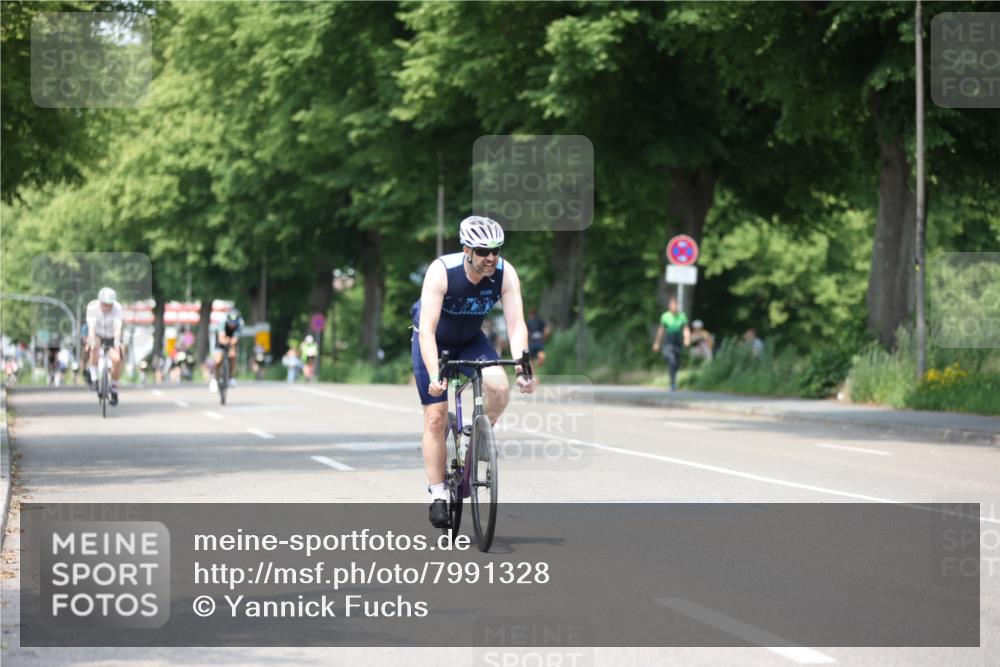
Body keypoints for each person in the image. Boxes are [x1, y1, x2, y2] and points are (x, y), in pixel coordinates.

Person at [411, 215, 536, 528]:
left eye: (495, 249)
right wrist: (435, 373)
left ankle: (475, 434)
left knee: (500, 388)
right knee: (436, 416)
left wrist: (522, 365)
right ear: (466, 249)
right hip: (433, 342)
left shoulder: (505, 273)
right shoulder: (442, 271)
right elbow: (426, 330)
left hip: (470, 341)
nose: (491, 257)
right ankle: (438, 493)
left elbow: (516, 323)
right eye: (482, 250)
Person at [86, 287, 125, 405]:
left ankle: (113, 388)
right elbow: (91, 328)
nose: (108, 307)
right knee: (93, 347)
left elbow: (118, 328)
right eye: (105, 305)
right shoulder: (92, 307)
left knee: (117, 359)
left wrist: (117, 343)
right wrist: (92, 341)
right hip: (98, 335)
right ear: (99, 302)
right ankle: (94, 378)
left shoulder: (117, 308)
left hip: (112, 336)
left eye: (110, 305)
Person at [652, 297, 690, 391]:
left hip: (678, 341)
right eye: (672, 306)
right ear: (669, 307)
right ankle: (673, 383)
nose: (674, 307)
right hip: (668, 341)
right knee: (671, 360)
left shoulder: (682, 316)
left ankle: (673, 381)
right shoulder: (665, 316)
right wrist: (657, 343)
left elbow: (685, 329)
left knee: (676, 363)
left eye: (675, 306)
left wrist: (686, 339)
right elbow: (661, 330)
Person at [210, 308, 243, 393]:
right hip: (222, 338)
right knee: (217, 360)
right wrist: (226, 341)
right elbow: (221, 339)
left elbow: (235, 339)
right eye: (230, 323)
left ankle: (231, 377)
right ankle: (214, 379)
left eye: (234, 324)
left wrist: (232, 343)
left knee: (233, 355)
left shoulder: (240, 324)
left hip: (232, 339)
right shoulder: (222, 322)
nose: (232, 325)